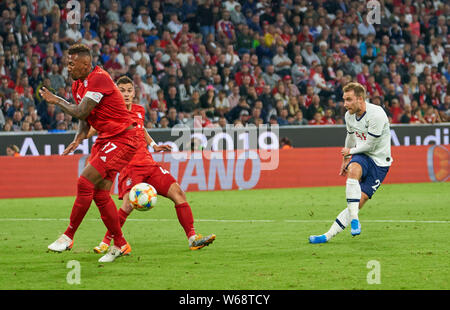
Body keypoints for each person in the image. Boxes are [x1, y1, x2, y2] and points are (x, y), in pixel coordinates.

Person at [39, 44, 141, 263]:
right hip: (108, 138)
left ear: (85, 64)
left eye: (71, 63)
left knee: (85, 183)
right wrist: (78, 138)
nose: (68, 67)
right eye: (67, 62)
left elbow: (81, 110)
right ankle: (121, 244)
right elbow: (84, 117)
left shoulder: (99, 78)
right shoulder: (78, 84)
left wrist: (56, 100)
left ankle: (68, 236)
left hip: (124, 138)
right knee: (100, 194)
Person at [91, 76, 215, 254]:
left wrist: (154, 144)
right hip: (130, 167)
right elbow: (94, 128)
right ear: (116, 92)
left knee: (179, 193)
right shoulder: (111, 113)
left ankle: (193, 238)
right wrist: (80, 137)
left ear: (134, 93)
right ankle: (106, 242)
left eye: (129, 91)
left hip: (149, 165)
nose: (126, 94)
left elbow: (141, 129)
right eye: (122, 91)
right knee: (127, 206)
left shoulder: (139, 110)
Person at [309, 82, 392, 243]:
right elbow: (351, 136)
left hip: (380, 162)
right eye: (344, 99)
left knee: (359, 201)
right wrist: (346, 159)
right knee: (353, 170)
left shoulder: (377, 114)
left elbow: (370, 144)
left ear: (360, 99)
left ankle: (329, 233)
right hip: (362, 155)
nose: (345, 104)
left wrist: (349, 151)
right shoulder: (349, 115)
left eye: (348, 99)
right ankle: (349, 223)